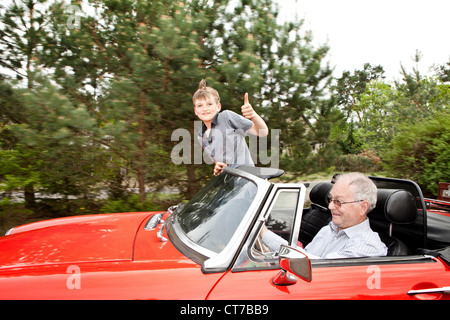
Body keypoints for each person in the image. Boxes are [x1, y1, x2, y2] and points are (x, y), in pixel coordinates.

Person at [261, 172, 388, 259]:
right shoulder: (329, 229)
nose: (330, 206)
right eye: (331, 199)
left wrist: (263, 232)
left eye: (339, 201)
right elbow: (306, 255)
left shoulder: (367, 247)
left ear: (362, 207)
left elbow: (313, 265)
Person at [193, 79, 268, 175]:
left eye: (209, 104)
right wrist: (218, 167)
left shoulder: (226, 117)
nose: (205, 109)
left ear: (218, 107)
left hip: (246, 178)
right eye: (200, 105)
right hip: (228, 181)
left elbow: (263, 132)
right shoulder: (201, 136)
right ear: (195, 110)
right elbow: (217, 162)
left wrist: (253, 115)